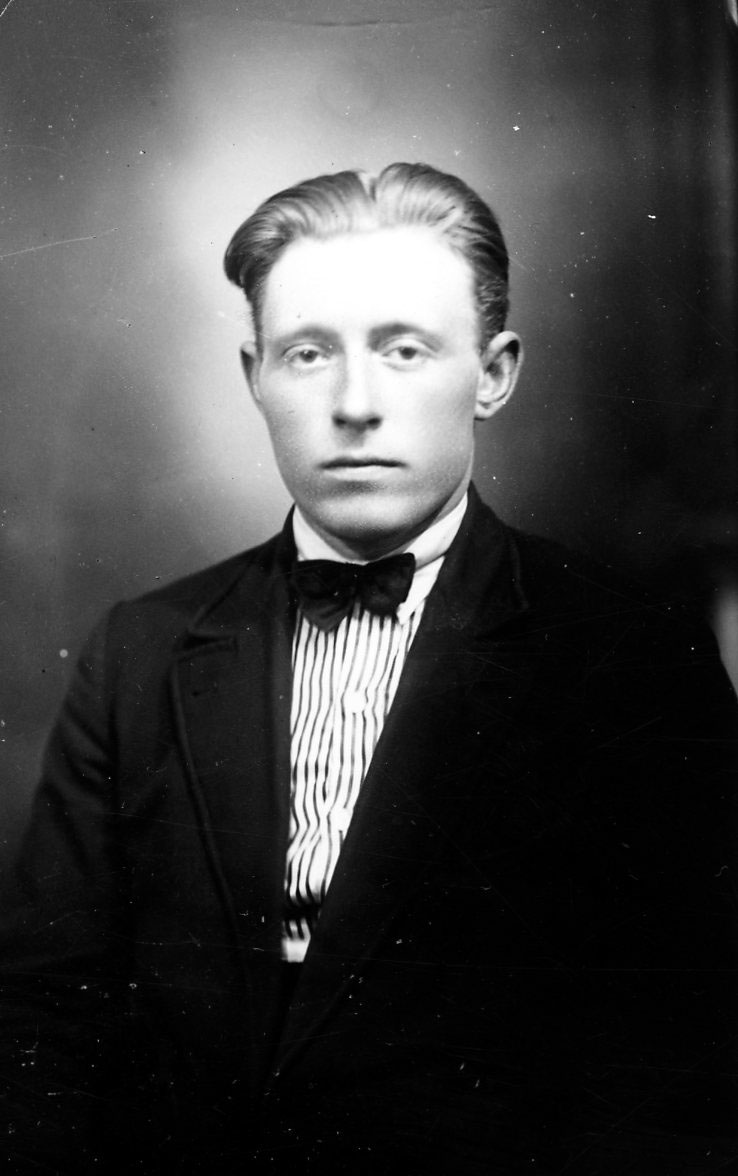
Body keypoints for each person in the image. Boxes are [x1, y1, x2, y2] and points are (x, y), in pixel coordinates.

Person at [1, 163, 736, 1175]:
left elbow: (688, 1047)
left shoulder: (629, 653)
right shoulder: (143, 649)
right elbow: (45, 1013)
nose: (355, 404)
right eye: (308, 354)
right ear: (254, 375)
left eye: (404, 350)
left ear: (494, 373)